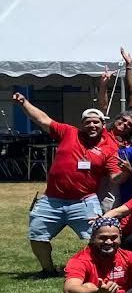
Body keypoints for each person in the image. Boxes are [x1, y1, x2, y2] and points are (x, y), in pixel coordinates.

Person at [13, 96, 121, 275]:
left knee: (101, 237)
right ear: (81, 124)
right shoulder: (68, 132)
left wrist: (126, 172)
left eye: (96, 122)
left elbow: (114, 177)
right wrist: (24, 102)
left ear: (103, 124)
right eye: (88, 122)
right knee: (36, 235)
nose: (92, 125)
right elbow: (42, 119)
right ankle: (48, 270)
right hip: (51, 200)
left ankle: (96, 269)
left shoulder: (110, 147)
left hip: (84, 201)